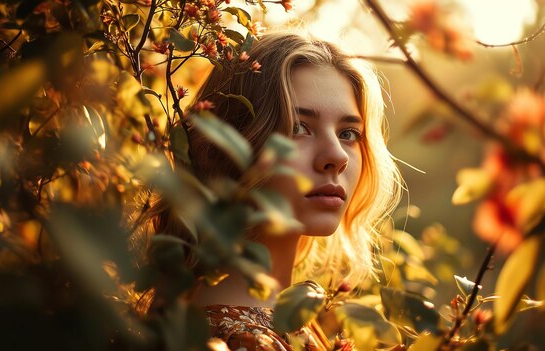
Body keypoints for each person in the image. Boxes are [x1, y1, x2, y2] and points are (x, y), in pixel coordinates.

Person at [139, 32, 402, 351]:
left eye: (349, 133)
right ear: (227, 147)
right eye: (298, 126)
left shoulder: (280, 324)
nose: (337, 156)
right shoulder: (243, 342)